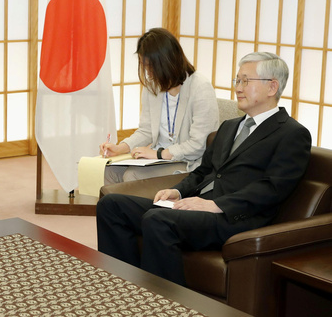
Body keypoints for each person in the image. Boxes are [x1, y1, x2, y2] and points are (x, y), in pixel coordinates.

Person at [96, 51, 312, 286]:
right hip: (197, 205)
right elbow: (202, 172)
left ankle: (165, 305)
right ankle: (122, 286)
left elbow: (272, 189)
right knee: (112, 205)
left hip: (234, 218)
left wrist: (216, 205)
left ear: (272, 87)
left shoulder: (292, 134)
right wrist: (177, 192)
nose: (238, 88)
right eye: (237, 80)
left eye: (246, 81)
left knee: (158, 220)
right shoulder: (229, 127)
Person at [100, 28, 219, 183]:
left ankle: (140, 207)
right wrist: (120, 148)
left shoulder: (200, 87)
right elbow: (146, 130)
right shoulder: (153, 86)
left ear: (167, 62)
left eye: (151, 66)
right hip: (158, 158)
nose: (148, 73)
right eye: (144, 65)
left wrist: (159, 154)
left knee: (132, 176)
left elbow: (199, 144)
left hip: (189, 162)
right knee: (107, 172)